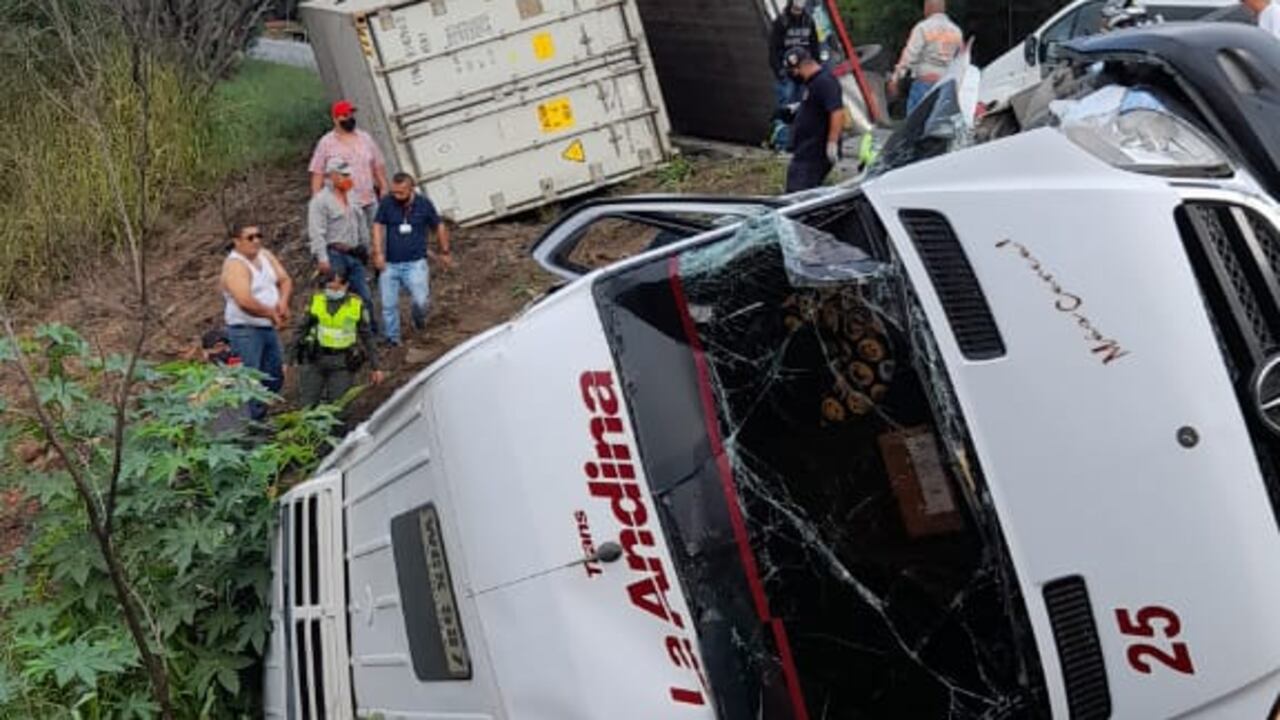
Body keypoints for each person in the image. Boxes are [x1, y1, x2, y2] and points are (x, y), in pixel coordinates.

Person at [220, 223, 292, 421]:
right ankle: (251, 423)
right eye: (250, 237)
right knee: (250, 381)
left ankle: (259, 413)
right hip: (245, 330)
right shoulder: (235, 265)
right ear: (237, 241)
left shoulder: (265, 255)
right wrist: (270, 313)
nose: (256, 241)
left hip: (267, 327)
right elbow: (244, 300)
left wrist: (283, 303)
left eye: (259, 236)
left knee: (274, 374)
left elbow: (284, 279)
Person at [372, 173, 452, 347]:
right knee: (388, 305)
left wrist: (444, 250)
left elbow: (438, 225)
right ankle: (393, 339)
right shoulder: (387, 202)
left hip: (415, 263)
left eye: (401, 193)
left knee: (421, 300)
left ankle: (418, 320)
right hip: (390, 264)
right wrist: (378, 252)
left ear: (411, 189)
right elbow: (377, 225)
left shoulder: (423, 204)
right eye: (394, 192)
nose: (396, 196)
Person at [289, 267, 383, 407]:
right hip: (315, 358)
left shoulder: (356, 305)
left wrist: (376, 367)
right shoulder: (317, 300)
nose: (332, 292)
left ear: (345, 286)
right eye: (329, 288)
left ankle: (339, 430)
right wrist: (288, 358)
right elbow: (301, 329)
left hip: (342, 362)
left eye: (336, 288)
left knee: (339, 407)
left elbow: (367, 336)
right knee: (308, 404)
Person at [309, 157, 378, 334]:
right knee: (337, 299)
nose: (348, 178)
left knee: (365, 297)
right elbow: (317, 232)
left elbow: (360, 221)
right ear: (332, 176)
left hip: (355, 254)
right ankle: (337, 338)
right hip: (335, 255)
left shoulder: (352, 195)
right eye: (344, 175)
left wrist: (366, 247)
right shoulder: (320, 201)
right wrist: (322, 258)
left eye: (349, 175)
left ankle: (371, 334)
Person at [308, 99, 389, 226]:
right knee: (356, 240)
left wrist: (383, 186)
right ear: (335, 119)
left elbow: (377, 164)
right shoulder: (326, 143)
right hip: (345, 204)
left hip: (369, 199)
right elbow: (318, 172)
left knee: (379, 235)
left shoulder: (364, 138)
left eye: (351, 115)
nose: (349, 118)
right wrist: (317, 201)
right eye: (345, 116)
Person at [783, 48, 846, 193]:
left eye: (793, 72)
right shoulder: (813, 83)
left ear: (802, 66)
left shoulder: (825, 82)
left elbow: (837, 112)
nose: (793, 76)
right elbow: (814, 107)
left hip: (814, 153)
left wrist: (832, 142)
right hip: (805, 150)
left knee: (797, 195)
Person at [891, 0, 963, 115]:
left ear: (928, 8)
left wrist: (896, 79)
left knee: (915, 127)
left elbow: (909, 56)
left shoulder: (922, 28)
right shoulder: (956, 31)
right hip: (946, 85)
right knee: (937, 126)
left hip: (924, 84)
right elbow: (960, 61)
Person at [770, 1, 822, 109]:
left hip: (805, 74)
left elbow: (814, 47)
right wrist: (780, 72)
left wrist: (816, 69)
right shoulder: (781, 22)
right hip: (787, 74)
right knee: (786, 109)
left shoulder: (809, 21)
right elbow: (774, 50)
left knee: (806, 108)